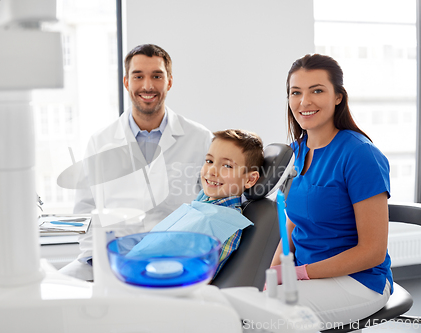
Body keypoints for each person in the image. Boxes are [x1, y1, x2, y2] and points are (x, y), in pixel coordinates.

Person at [60, 44, 213, 281]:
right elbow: (85, 210)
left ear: (169, 82)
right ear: (126, 82)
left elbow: (211, 206)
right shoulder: (100, 141)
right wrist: (98, 260)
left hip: (175, 260)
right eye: (138, 76)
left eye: (157, 76)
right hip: (112, 260)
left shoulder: (200, 138)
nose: (148, 86)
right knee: (52, 292)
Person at [269, 54, 393, 327]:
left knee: (271, 319)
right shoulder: (297, 151)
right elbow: (293, 221)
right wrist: (275, 269)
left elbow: (372, 251)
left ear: (338, 96)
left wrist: (300, 273)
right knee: (242, 305)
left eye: (317, 90)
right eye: (295, 92)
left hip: (359, 280)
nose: (304, 102)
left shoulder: (360, 155)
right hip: (307, 274)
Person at [130, 129, 263, 278]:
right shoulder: (203, 205)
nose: (212, 171)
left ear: (250, 179)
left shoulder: (222, 223)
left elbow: (193, 278)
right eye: (209, 161)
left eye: (227, 166)